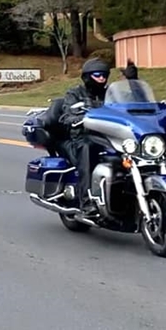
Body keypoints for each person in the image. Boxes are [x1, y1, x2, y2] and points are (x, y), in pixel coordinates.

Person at [58, 58, 111, 216]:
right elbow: (66, 116)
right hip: (83, 137)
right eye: (97, 75)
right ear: (87, 76)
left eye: (104, 75)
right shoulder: (75, 94)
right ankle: (87, 201)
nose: (101, 78)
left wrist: (133, 81)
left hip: (110, 137)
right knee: (87, 149)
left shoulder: (111, 94)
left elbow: (128, 106)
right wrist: (79, 119)